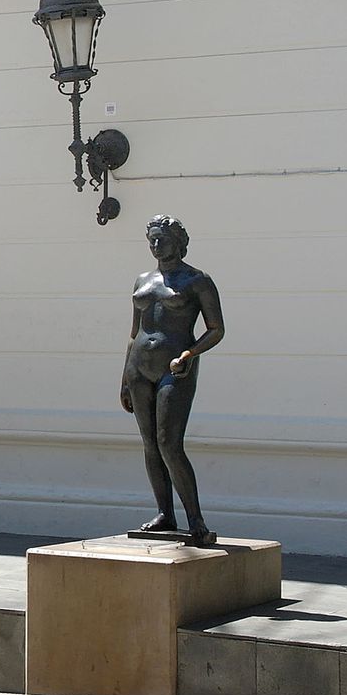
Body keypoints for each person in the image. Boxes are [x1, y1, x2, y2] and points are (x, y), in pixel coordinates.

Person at [121, 214, 226, 544]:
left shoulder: (197, 280)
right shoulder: (142, 280)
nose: (155, 245)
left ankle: (196, 521)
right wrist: (125, 377)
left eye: (162, 239)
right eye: (151, 239)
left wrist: (190, 355)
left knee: (169, 443)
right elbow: (134, 333)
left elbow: (216, 329)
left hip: (174, 367)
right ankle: (166, 513)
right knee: (150, 444)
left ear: (179, 243)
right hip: (140, 368)